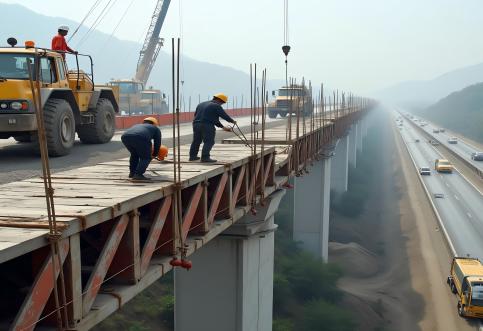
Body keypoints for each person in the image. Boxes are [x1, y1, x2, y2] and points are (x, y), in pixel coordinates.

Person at [189, 94, 237, 163]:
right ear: (219, 100)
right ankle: (205, 157)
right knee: (209, 141)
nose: (221, 104)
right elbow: (224, 115)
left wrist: (223, 127)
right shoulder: (216, 106)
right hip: (207, 125)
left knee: (196, 141)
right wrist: (232, 121)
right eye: (222, 103)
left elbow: (211, 118)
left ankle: (192, 157)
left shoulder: (201, 104)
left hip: (196, 124)